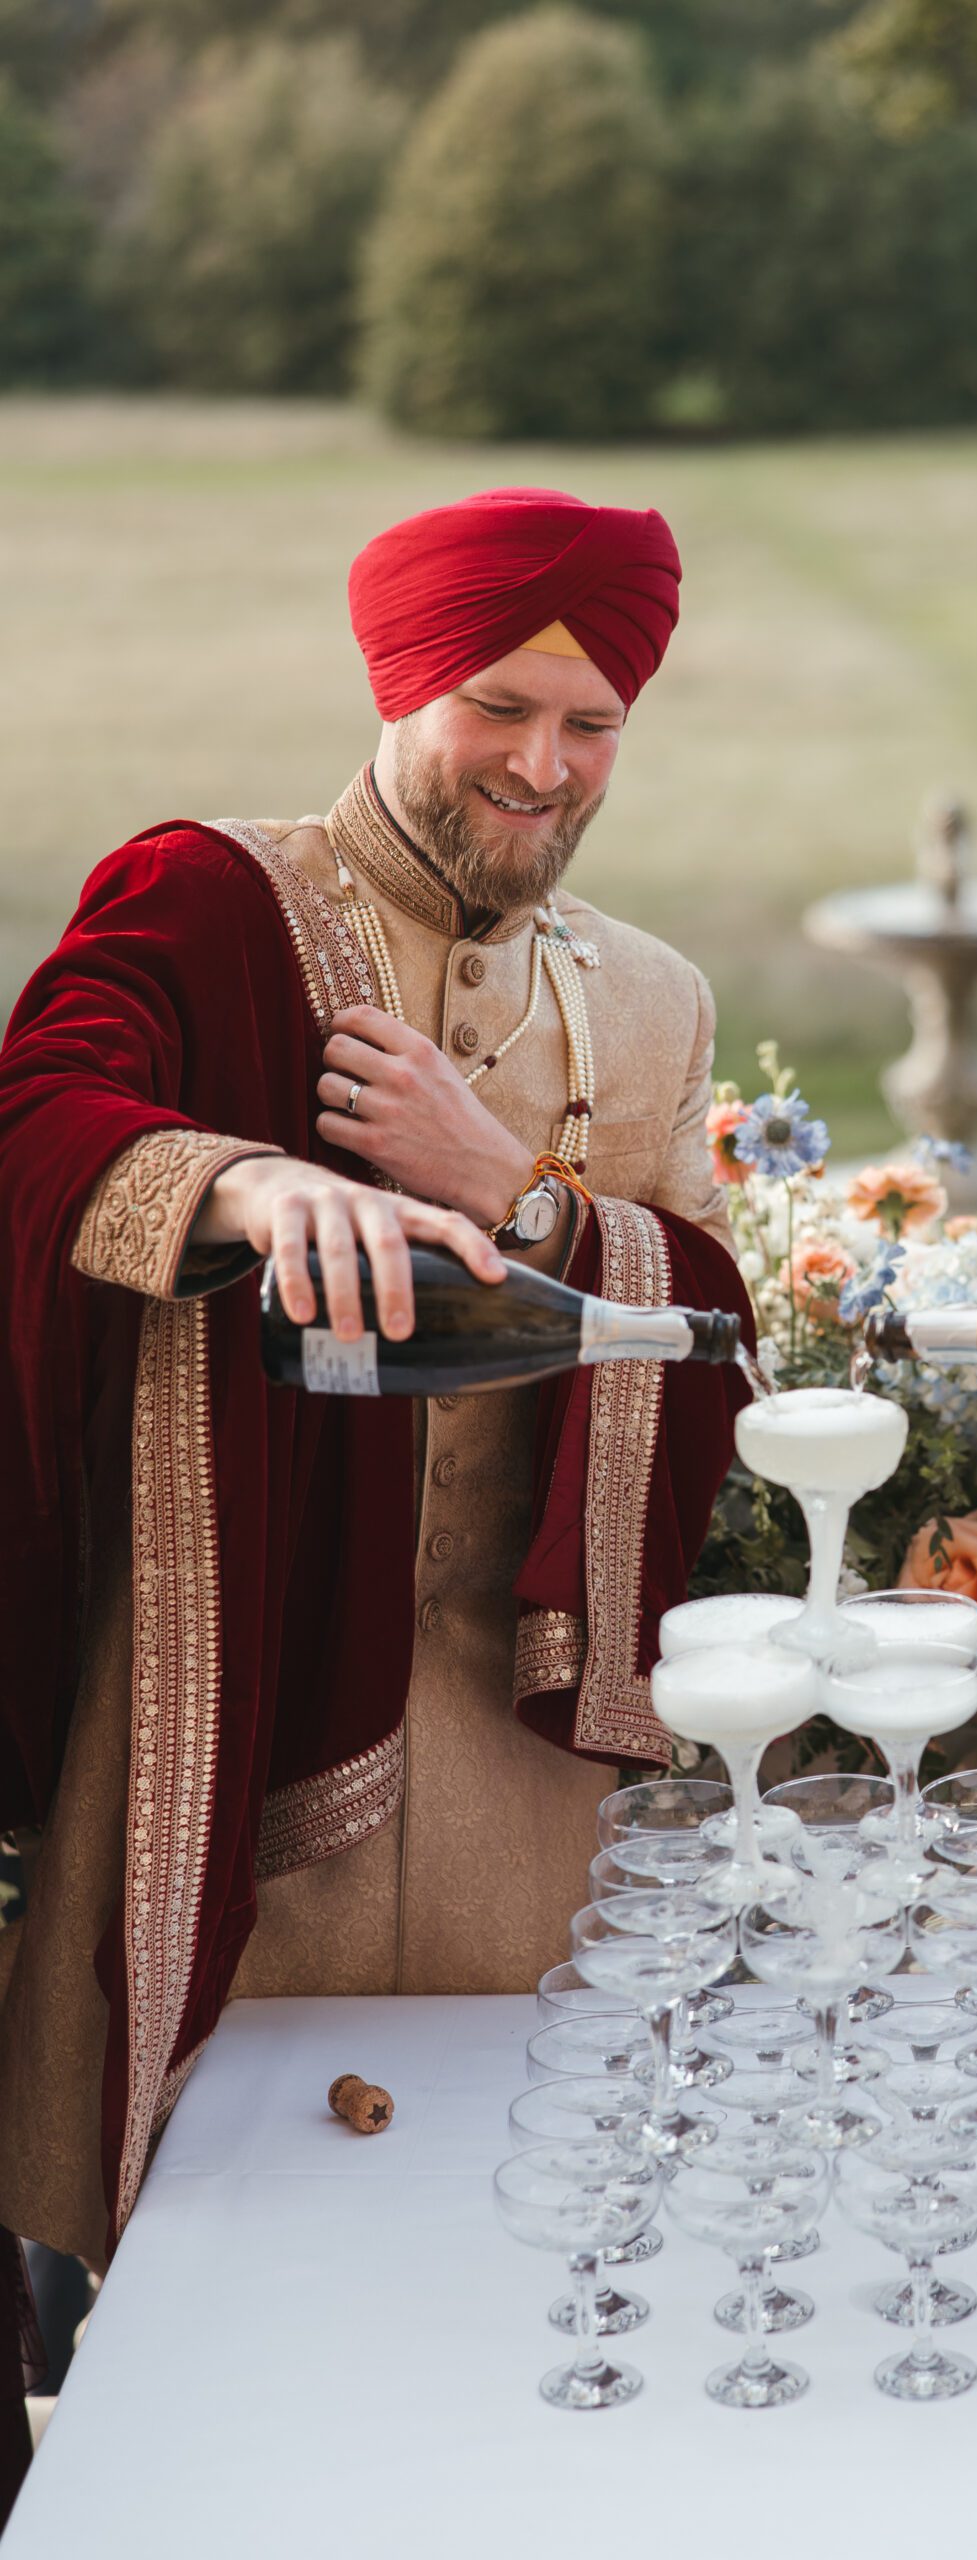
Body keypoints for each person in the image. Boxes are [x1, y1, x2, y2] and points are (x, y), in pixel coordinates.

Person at [0, 487, 747, 2512]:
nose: (542, 763)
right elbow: (47, 1095)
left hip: (534, 1761)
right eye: (499, 706)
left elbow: (714, 1336)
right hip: (243, 1737)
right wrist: (250, 1179)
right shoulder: (209, 895)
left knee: (539, 2319)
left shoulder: (657, 999)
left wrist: (508, 1194)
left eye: (592, 725)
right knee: (243, 2362)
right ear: (400, 678)